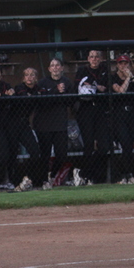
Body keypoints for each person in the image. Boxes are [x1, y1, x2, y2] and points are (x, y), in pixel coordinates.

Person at [36, 57, 75, 189]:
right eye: (52, 65)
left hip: (60, 124)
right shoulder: (42, 83)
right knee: (45, 154)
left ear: (62, 68)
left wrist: (64, 93)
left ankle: (53, 176)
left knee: (62, 154)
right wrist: (55, 91)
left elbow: (71, 103)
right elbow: (41, 102)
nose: (55, 68)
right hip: (44, 125)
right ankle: (42, 180)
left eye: (57, 65)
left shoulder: (67, 82)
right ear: (49, 69)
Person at [74, 50, 110, 184]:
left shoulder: (105, 70)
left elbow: (106, 88)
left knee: (104, 147)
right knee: (88, 144)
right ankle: (85, 175)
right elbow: (79, 87)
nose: (94, 59)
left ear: (100, 59)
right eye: (92, 57)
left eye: (97, 57)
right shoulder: (82, 70)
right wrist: (95, 86)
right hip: (85, 110)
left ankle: (95, 176)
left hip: (100, 110)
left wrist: (94, 85)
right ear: (88, 58)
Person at [110, 54, 134, 183]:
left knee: (130, 145)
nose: (123, 66)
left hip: (131, 114)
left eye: (126, 63)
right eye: (121, 63)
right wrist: (128, 79)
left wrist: (132, 77)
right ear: (117, 65)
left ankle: (129, 174)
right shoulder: (113, 77)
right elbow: (120, 91)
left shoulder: (132, 77)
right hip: (118, 115)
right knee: (125, 144)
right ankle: (123, 174)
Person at [10, 67, 43, 190]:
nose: (29, 77)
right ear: (23, 78)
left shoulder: (37, 89)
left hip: (24, 124)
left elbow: (41, 96)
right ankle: (13, 182)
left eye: (32, 75)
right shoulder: (19, 88)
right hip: (12, 123)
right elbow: (25, 99)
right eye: (27, 75)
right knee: (12, 153)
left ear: (36, 77)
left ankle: (28, 178)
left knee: (35, 151)